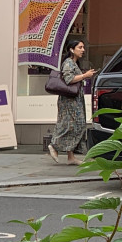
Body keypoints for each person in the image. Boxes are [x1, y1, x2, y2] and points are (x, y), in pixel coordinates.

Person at [47, 36, 95, 164]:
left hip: (75, 98)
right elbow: (69, 79)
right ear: (72, 50)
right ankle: (53, 144)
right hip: (69, 100)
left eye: (83, 47)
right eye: (80, 47)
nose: (83, 50)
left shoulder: (74, 63)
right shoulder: (68, 63)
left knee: (74, 125)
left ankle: (71, 157)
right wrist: (85, 75)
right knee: (70, 125)